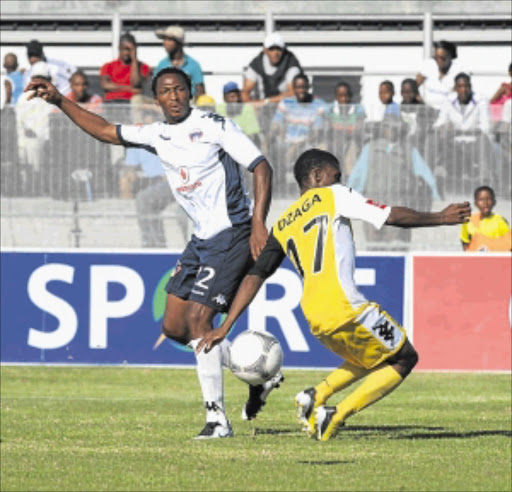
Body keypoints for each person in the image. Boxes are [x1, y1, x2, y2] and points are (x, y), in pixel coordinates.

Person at [26, 66, 279, 439]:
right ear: (156, 98)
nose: (174, 96)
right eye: (166, 91)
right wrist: (61, 101)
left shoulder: (215, 126)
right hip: (201, 239)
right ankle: (255, 372)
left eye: (179, 89)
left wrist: (258, 223)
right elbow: (105, 131)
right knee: (175, 327)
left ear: (190, 92)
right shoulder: (155, 134)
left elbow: (261, 167)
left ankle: (217, 420)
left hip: (233, 233)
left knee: (198, 321)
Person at [196, 148, 471, 441]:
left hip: (315, 317)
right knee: (404, 358)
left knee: (371, 358)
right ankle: (335, 415)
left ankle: (315, 395)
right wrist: (440, 217)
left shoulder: (284, 222)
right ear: (317, 177)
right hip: (345, 306)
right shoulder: (333, 195)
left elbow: (256, 275)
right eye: (336, 175)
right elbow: (389, 216)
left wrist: (225, 326)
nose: (340, 180)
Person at [347, 113, 441, 249]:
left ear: (402, 130)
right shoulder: (371, 148)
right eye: (388, 127)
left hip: (398, 204)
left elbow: (425, 174)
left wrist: (434, 195)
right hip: (373, 203)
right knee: (373, 244)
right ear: (383, 128)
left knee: (396, 245)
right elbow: (357, 175)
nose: (392, 130)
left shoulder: (409, 151)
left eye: (396, 127)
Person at [432, 72, 492, 196]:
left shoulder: (481, 99)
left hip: (475, 142)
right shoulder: (449, 100)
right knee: (436, 139)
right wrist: (441, 128)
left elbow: (485, 127)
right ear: (456, 88)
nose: (463, 89)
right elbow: (440, 121)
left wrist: (459, 131)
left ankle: (483, 185)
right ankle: (436, 179)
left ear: (470, 86)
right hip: (454, 142)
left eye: (466, 86)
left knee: (483, 142)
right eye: (460, 86)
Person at [271, 73, 326, 191]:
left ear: (308, 87)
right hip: (286, 141)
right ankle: (279, 187)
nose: (301, 90)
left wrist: (295, 146)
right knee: (273, 148)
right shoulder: (286, 103)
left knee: (318, 151)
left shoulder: (318, 104)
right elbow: (276, 125)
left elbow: (316, 133)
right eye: (298, 87)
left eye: (304, 87)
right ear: (294, 88)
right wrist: (267, 141)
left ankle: (310, 188)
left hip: (308, 142)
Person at [16, 61, 54, 195]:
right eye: (36, 78)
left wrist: (49, 139)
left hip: (47, 141)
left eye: (42, 79)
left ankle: (42, 190)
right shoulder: (23, 98)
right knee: (31, 151)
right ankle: (30, 190)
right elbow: (19, 121)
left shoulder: (51, 99)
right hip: (26, 141)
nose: (38, 82)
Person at [242, 32, 303, 104]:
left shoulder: (292, 64)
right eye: (271, 49)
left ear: (283, 50)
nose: (275, 53)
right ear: (265, 51)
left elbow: (292, 94)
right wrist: (251, 106)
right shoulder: (256, 65)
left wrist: (265, 102)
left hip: (286, 109)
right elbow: (245, 92)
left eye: (278, 49)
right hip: (262, 110)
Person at [154, 25, 205, 99]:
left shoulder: (193, 65)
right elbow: (156, 89)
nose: (164, 43)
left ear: (178, 43)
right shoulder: (162, 64)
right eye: (164, 40)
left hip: (187, 103)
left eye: (169, 40)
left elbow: (200, 92)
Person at [99, 32, 151, 104]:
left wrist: (134, 60)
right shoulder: (108, 66)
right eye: (124, 49)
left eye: (130, 49)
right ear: (119, 48)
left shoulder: (144, 67)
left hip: (132, 103)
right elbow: (105, 85)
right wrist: (129, 88)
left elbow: (136, 84)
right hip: (111, 102)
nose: (127, 53)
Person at [327, 81, 366, 177]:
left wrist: (339, 128)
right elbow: (327, 127)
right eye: (340, 96)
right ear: (336, 96)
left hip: (352, 141)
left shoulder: (358, 109)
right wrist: (347, 128)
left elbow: (358, 128)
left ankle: (350, 181)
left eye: (346, 95)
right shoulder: (329, 109)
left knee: (351, 155)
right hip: (333, 141)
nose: (344, 99)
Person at [416, 40, 466, 111]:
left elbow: (457, 95)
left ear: (450, 56)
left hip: (448, 110)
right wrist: (420, 100)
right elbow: (415, 85)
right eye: (436, 58)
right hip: (425, 109)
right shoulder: (428, 64)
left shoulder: (458, 70)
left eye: (442, 58)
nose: (438, 61)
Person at [460, 186, 511, 252]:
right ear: (475, 203)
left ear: (494, 202)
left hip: (494, 259)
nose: (485, 203)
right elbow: (464, 241)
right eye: (481, 200)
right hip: (475, 260)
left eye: (489, 199)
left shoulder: (501, 221)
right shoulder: (468, 221)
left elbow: (508, 245)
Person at [216, 81, 262, 146]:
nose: (236, 99)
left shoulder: (247, 108)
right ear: (224, 98)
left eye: (238, 96)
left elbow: (253, 134)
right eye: (232, 96)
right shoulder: (219, 109)